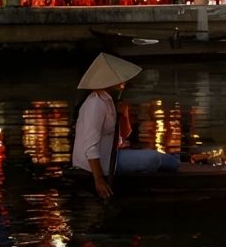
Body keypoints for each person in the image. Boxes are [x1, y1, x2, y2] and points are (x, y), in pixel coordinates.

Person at [72, 53, 180, 199]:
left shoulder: (109, 100)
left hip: (112, 156)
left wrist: (124, 114)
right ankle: (176, 162)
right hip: (96, 164)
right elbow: (90, 147)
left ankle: (176, 160)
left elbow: (124, 134)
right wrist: (99, 180)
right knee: (154, 158)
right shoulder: (95, 104)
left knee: (165, 159)